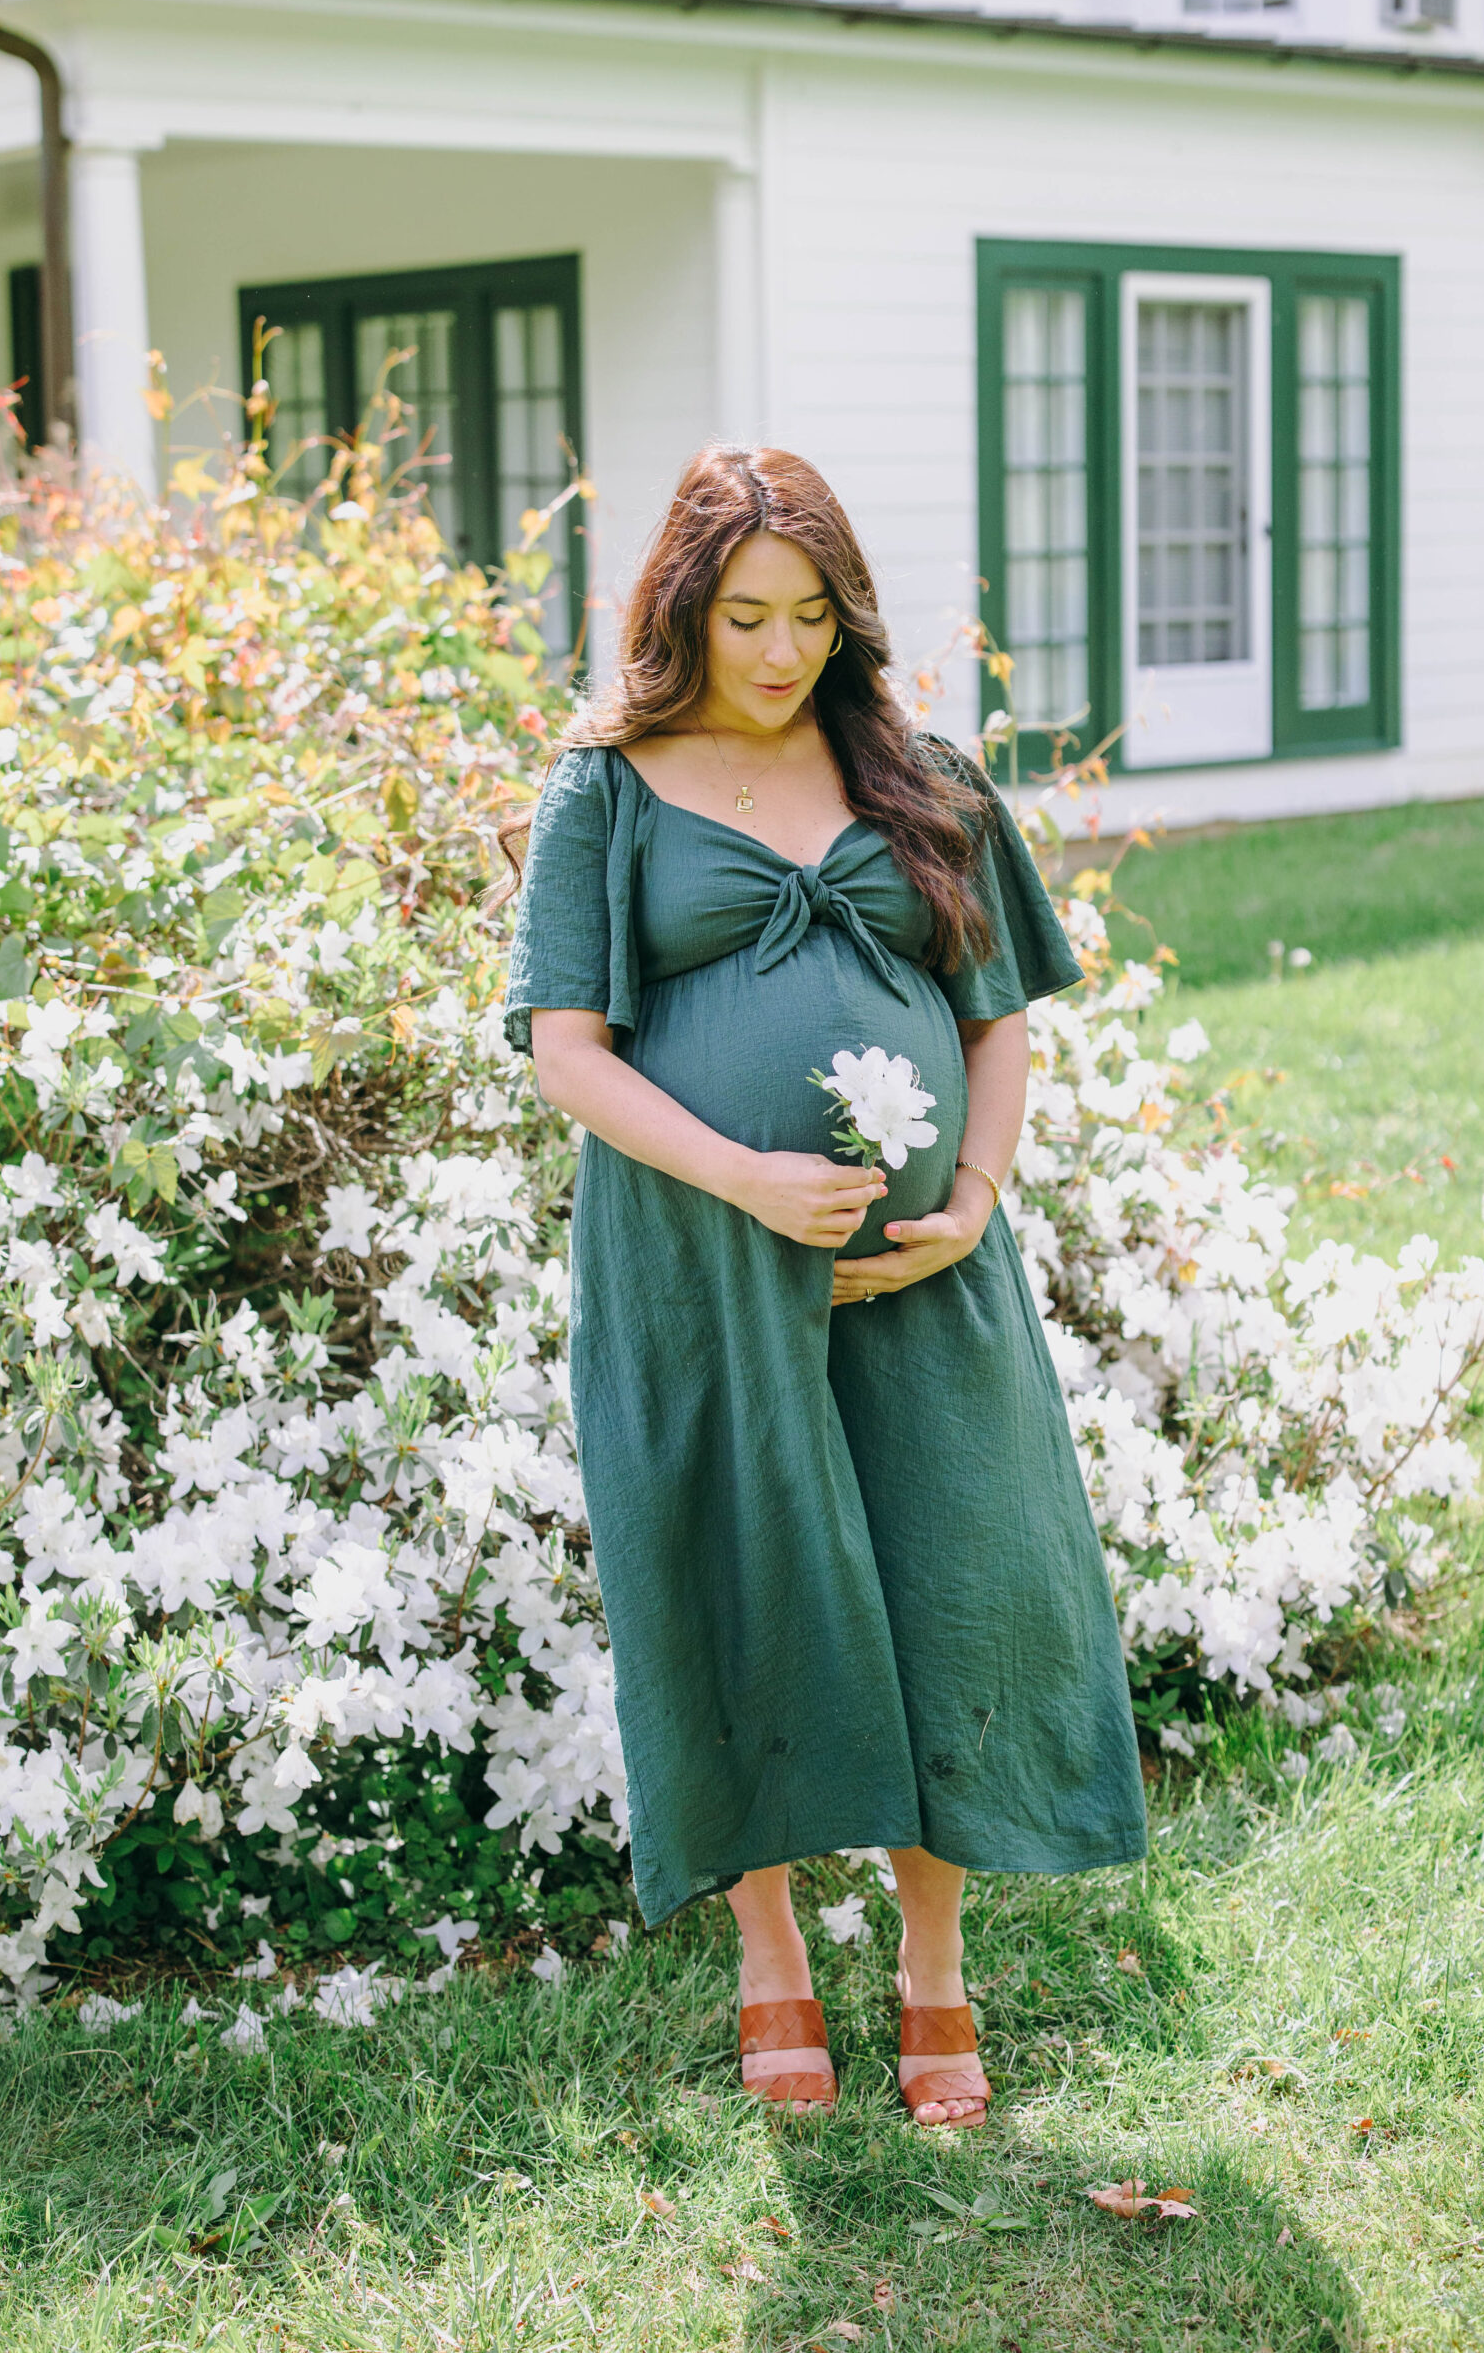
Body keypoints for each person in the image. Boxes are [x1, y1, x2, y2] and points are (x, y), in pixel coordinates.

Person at [503, 446, 1145, 2129]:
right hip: (702, 1268)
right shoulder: (610, 789)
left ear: (848, 617)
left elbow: (998, 1015)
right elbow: (569, 1053)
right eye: (742, 617)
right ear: (681, 611)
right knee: (745, 1584)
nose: (777, 652)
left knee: (959, 1581)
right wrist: (746, 1175)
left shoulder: (921, 773)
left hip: (929, 1279)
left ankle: (938, 1968)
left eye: (807, 616)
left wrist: (975, 1199)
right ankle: (770, 1957)